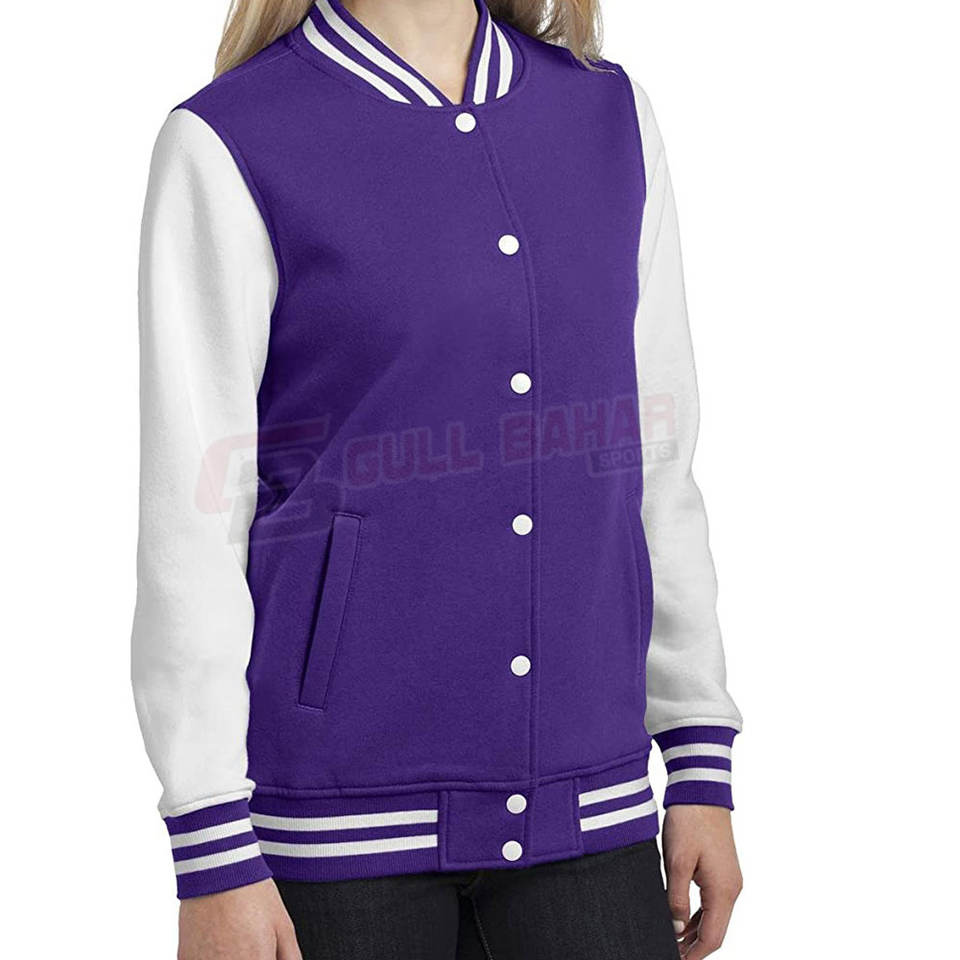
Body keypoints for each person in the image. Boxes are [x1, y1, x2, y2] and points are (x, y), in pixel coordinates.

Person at [132, 1, 743, 957]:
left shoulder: (607, 118)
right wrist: (210, 846)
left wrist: (698, 756)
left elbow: (655, 463)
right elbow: (193, 516)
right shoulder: (233, 140)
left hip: (591, 803)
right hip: (335, 833)